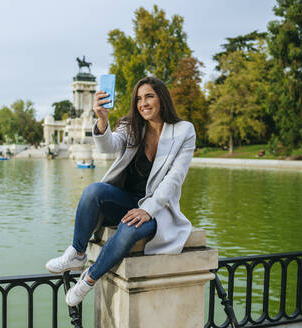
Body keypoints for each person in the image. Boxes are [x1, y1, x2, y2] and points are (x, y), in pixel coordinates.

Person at [45, 76, 196, 306]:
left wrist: (147, 210)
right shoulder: (131, 125)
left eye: (149, 97)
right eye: (138, 99)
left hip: (158, 208)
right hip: (125, 199)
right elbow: (108, 147)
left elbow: (174, 178)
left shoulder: (184, 131)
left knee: (128, 227)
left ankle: (88, 279)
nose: (143, 103)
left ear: (162, 99)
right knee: (93, 191)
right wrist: (102, 120)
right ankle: (77, 253)